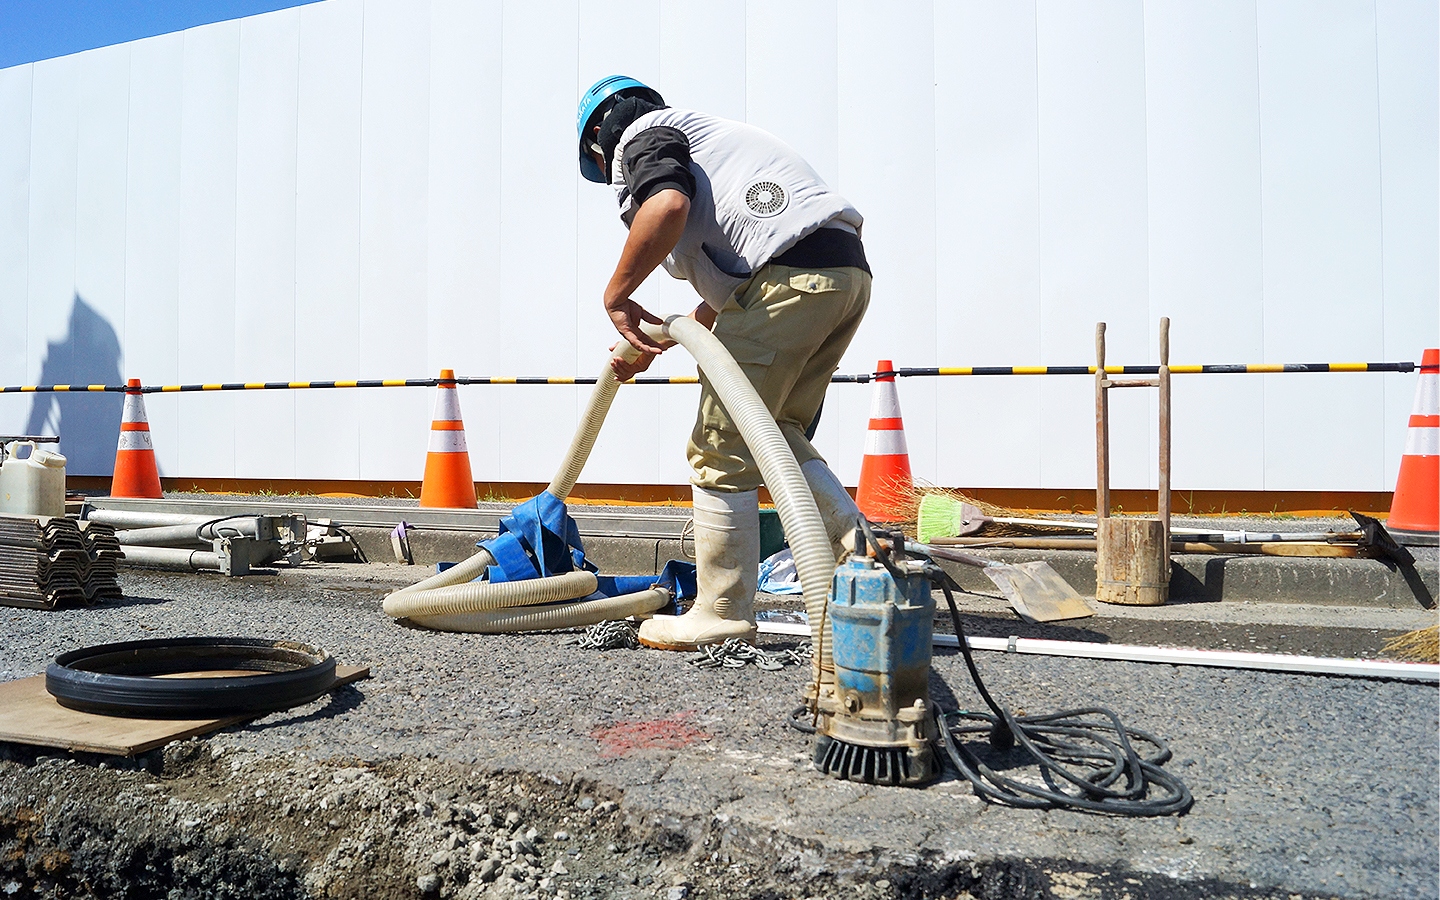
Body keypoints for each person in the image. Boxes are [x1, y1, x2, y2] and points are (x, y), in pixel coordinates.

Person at [577, 75, 871, 651]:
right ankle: (863, 573)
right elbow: (733, 290)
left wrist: (616, 295)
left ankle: (721, 610)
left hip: (787, 279)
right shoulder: (710, 142)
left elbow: (666, 204)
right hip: (841, 275)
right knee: (776, 436)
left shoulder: (644, 136)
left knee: (721, 444)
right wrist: (659, 337)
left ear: (599, 142)